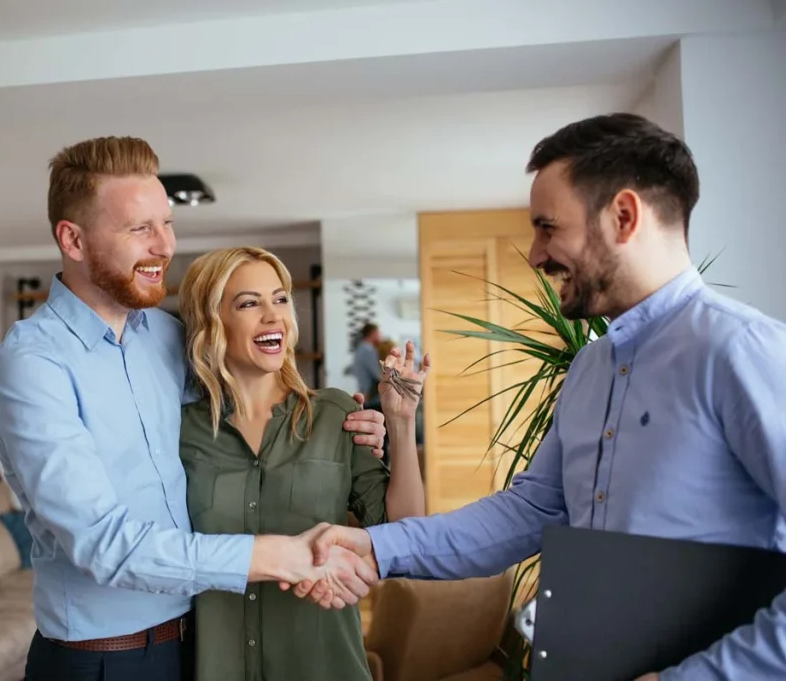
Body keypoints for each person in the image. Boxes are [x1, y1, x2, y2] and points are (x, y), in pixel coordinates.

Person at [295, 113, 786, 681]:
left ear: (623, 216)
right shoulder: (590, 367)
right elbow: (530, 511)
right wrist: (374, 547)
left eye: (548, 227)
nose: (535, 254)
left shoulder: (742, 352)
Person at [0, 136, 387, 681]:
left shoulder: (167, 338)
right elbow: (104, 543)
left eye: (167, 224)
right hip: (102, 660)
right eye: (139, 229)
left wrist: (344, 425)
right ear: (73, 240)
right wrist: (286, 557)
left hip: (195, 643)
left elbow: (243, 420)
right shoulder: (32, 364)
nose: (164, 246)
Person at [176, 247, 429, 681]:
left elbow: (403, 532)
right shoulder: (179, 431)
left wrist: (401, 425)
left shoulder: (335, 414)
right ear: (211, 321)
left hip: (325, 666)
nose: (273, 316)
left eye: (280, 299)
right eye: (249, 303)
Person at [351, 322, 383, 403]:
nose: (380, 336)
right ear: (372, 334)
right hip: (371, 394)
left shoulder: (360, 349)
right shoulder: (368, 350)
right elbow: (378, 374)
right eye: (378, 333)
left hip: (364, 391)